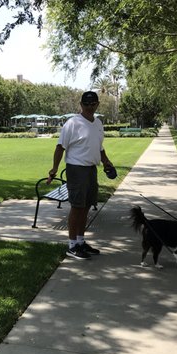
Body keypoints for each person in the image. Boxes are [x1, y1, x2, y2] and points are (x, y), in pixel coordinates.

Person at [47, 91, 114, 260]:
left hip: (91, 169)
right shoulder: (73, 123)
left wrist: (106, 162)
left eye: (93, 105)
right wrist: (54, 169)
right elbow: (60, 147)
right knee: (77, 207)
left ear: (97, 104)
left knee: (86, 207)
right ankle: (71, 246)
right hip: (76, 169)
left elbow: (99, 147)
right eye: (86, 105)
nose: (89, 108)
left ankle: (81, 241)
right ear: (81, 105)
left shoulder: (98, 123)